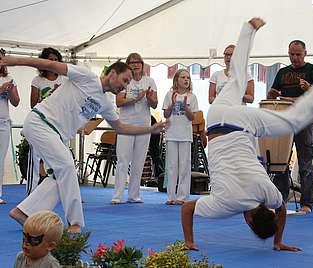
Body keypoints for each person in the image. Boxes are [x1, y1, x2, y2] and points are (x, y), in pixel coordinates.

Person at [181, 17, 313, 252]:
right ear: (249, 221)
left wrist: (278, 240)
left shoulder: (269, 194)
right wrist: (189, 242)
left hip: (239, 122)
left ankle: (250, 30)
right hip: (217, 120)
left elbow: (282, 210)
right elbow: (186, 208)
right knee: (242, 81)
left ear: (267, 213)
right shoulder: (224, 206)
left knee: (288, 117)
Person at [0, 55, 165, 233]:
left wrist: (150, 129)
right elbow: (49, 64)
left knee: (60, 175)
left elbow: (121, 127)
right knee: (67, 166)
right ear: (112, 73)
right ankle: (75, 223)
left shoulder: (106, 103)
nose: (125, 86)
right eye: (125, 80)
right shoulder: (86, 76)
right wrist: (14, 61)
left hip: (56, 135)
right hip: (40, 122)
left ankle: (24, 212)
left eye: (128, 83)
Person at [267, 40, 313, 211]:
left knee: (305, 162)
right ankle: (280, 201)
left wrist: (309, 89)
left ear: (306, 53)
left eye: (298, 54)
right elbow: (272, 95)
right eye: (292, 54)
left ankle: (307, 203)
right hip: (285, 119)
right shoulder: (283, 72)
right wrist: (273, 94)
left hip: (304, 120)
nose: (295, 57)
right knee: (280, 161)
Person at [111, 52, 158, 204]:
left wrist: (150, 98)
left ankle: (134, 194)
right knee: (123, 160)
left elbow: (155, 104)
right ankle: (117, 195)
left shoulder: (149, 81)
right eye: (132, 62)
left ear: (142, 64)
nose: (135, 64)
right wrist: (136, 98)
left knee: (139, 161)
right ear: (127, 65)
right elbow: (119, 102)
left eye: (138, 62)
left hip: (144, 125)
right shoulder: (126, 81)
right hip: (125, 125)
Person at [27, 47, 65, 194]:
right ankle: (32, 192)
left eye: (56, 60)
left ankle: (62, 190)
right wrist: (52, 96)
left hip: (59, 124)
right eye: (50, 60)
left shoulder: (64, 79)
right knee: (35, 158)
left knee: (61, 158)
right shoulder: (37, 80)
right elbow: (33, 104)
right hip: (41, 122)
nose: (54, 62)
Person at [163, 69, 199, 205]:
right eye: (183, 77)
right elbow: (166, 115)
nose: (186, 80)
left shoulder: (192, 96)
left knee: (184, 166)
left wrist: (186, 107)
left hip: (185, 135)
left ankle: (182, 196)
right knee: (172, 166)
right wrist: (172, 104)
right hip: (171, 133)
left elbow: (192, 117)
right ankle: (171, 196)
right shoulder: (169, 94)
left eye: (188, 78)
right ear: (177, 79)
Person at [0, 48, 20, 205]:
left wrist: (11, 90)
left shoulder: (9, 78)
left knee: (0, 159)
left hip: (3, 122)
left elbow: (16, 102)